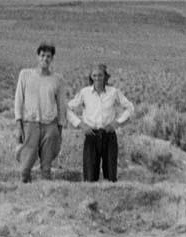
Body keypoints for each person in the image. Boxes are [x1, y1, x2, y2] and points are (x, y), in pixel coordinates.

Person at [67, 64, 134, 182]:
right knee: (90, 175)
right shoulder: (84, 93)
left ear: (105, 76)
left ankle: (110, 196)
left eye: (100, 75)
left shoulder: (114, 92)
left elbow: (130, 108)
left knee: (111, 175)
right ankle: (90, 198)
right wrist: (81, 124)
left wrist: (116, 123)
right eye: (94, 75)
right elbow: (67, 109)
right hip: (91, 135)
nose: (97, 78)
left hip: (109, 136)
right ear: (91, 77)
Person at [14, 43, 66, 182]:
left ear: (52, 59)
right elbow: (19, 99)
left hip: (50, 125)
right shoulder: (25, 75)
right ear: (38, 57)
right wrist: (19, 123)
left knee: (46, 167)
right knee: (25, 165)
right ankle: (24, 193)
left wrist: (60, 128)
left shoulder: (57, 79)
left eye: (48, 56)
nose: (45, 59)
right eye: (42, 55)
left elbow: (62, 106)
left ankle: (45, 197)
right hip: (30, 124)